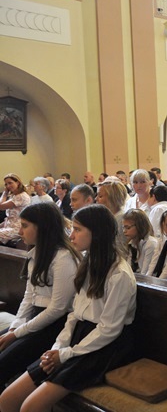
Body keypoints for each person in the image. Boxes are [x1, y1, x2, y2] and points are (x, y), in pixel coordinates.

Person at [0, 205, 136, 412]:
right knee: (7, 399)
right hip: (77, 336)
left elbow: (109, 329)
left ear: (97, 233)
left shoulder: (119, 275)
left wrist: (64, 354)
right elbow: (74, 315)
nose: (71, 235)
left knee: (31, 406)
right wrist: (57, 347)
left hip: (103, 347)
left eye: (78, 229)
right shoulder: (88, 263)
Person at [0, 203, 81, 390]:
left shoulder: (63, 258)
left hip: (53, 326)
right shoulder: (36, 253)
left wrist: (17, 334)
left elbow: (58, 309)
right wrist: (15, 326)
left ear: (42, 227)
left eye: (25, 225)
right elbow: (29, 296)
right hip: (35, 319)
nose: (20, 231)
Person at [122, 209, 158, 275]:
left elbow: (145, 272)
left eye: (128, 227)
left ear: (139, 226)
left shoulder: (150, 244)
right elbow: (128, 268)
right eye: (123, 227)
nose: (124, 231)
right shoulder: (132, 243)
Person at [0, 174, 31, 245]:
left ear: (18, 182)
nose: (8, 186)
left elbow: (1, 206)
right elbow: (11, 218)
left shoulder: (21, 196)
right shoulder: (14, 196)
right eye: (6, 184)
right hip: (9, 226)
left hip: (18, 228)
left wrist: (5, 193)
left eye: (10, 183)